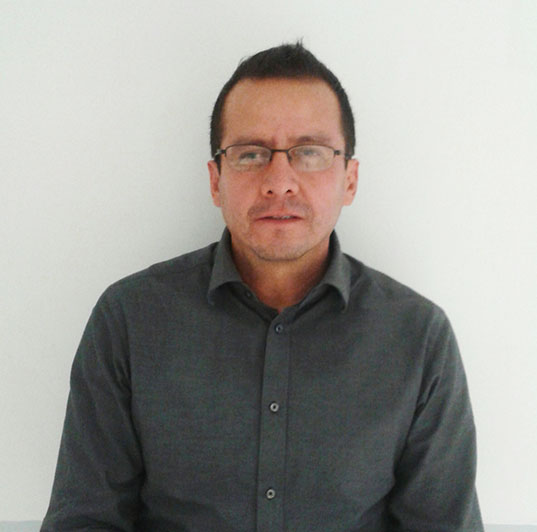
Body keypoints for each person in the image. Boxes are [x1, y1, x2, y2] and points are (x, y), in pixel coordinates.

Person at [42, 42, 483, 531]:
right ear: (216, 180)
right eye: (251, 154)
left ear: (350, 179)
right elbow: (84, 520)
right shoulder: (130, 321)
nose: (280, 181)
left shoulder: (417, 337)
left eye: (309, 153)